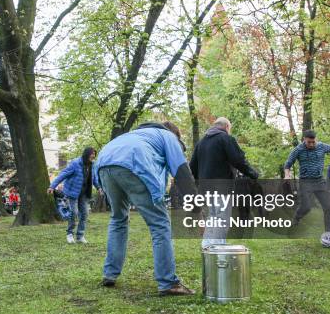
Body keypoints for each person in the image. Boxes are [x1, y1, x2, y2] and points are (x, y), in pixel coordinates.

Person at [95, 121, 197, 296]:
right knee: (160, 224)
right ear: (176, 136)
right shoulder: (168, 136)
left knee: (118, 219)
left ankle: (109, 273)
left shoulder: (135, 136)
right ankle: (168, 282)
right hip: (133, 161)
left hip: (104, 164)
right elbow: (181, 171)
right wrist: (196, 205)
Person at [189, 117, 259, 247]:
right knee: (221, 218)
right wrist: (253, 173)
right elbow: (238, 160)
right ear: (226, 127)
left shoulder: (201, 142)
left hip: (205, 188)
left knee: (212, 217)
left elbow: (192, 167)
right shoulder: (225, 139)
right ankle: (218, 249)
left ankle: (207, 246)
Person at [284, 130, 330, 247]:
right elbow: (288, 163)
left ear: (316, 139)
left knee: (329, 208)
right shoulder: (298, 149)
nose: (312, 144)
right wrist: (287, 174)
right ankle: (297, 216)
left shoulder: (321, 146)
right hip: (305, 182)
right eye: (309, 142)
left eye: (313, 142)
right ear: (304, 140)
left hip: (320, 182)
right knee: (306, 206)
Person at [48, 147, 101, 244]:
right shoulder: (75, 163)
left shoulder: (92, 165)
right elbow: (63, 174)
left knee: (85, 213)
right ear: (86, 154)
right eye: (92, 154)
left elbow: (94, 178)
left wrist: (98, 188)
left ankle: (80, 236)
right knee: (74, 212)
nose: (93, 156)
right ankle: (69, 234)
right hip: (73, 192)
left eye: (94, 154)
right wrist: (52, 186)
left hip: (84, 193)